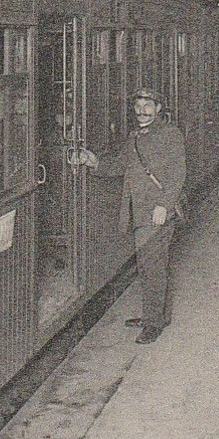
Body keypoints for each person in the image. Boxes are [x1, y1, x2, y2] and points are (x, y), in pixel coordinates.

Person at [71, 87, 186, 344]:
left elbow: (178, 173)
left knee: (152, 267)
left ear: (159, 109)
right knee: (147, 265)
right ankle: (154, 314)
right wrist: (95, 163)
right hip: (139, 212)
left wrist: (164, 205)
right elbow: (122, 164)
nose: (141, 112)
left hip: (156, 213)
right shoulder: (136, 136)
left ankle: (154, 323)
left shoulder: (170, 135)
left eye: (148, 107)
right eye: (138, 107)